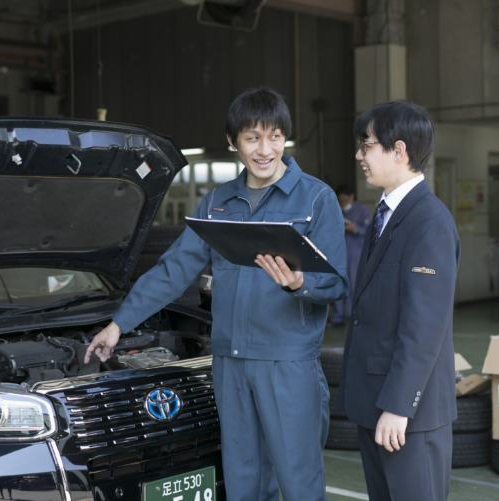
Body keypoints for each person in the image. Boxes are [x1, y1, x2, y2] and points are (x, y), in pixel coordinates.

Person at [84, 86, 349, 500]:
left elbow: (335, 282)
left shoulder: (315, 197)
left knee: (298, 483)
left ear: (285, 139)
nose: (265, 150)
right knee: (242, 481)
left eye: (275, 136)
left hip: (287, 364)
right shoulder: (218, 203)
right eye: (252, 138)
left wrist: (300, 283)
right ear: (233, 143)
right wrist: (119, 325)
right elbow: (173, 270)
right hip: (230, 363)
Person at [336, 100, 460, 501]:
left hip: (406, 415)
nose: (360, 156)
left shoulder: (430, 223)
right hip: (376, 405)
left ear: (399, 150)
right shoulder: (385, 213)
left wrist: (399, 406)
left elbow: (424, 328)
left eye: (367, 145)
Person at [330, 184, 370, 325]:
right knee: (338, 284)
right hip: (338, 253)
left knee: (354, 285)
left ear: (352, 197)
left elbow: (369, 231)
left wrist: (355, 229)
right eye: (340, 201)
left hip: (355, 254)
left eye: (345, 200)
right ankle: (338, 317)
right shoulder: (334, 209)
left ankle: (355, 317)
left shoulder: (362, 210)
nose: (343, 203)